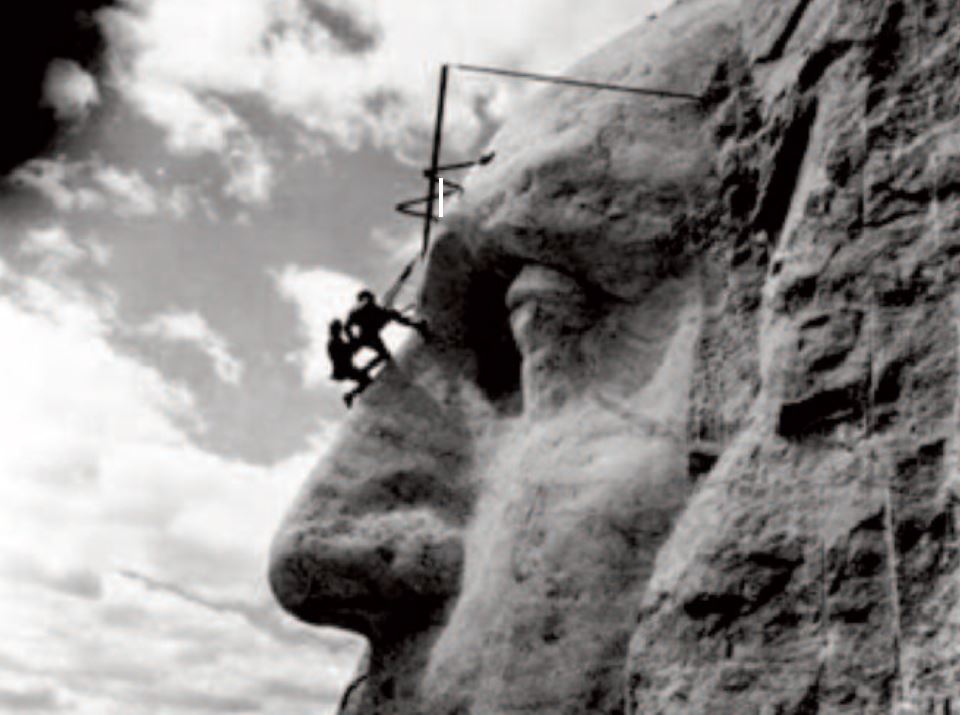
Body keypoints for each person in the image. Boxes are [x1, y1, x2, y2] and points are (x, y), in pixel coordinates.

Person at [344, 289, 427, 365]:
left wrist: (352, 338)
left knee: (383, 354)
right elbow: (347, 327)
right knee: (383, 353)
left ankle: (419, 325)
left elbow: (347, 327)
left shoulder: (356, 311)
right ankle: (419, 325)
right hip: (370, 332)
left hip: (370, 330)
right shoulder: (360, 309)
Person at [326, 319, 371, 407]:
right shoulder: (334, 342)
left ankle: (351, 396)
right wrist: (352, 345)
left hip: (345, 368)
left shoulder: (335, 341)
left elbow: (346, 352)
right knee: (366, 380)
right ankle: (350, 396)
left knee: (365, 379)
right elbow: (343, 353)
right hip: (344, 369)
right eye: (339, 329)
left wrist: (352, 346)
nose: (340, 331)